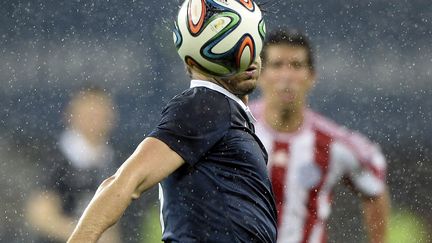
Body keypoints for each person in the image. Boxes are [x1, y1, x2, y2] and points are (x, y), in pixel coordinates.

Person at [67, 13, 277, 243]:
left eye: (253, 44)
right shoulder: (206, 104)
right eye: (230, 47)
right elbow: (126, 181)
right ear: (196, 59)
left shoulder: (227, 113)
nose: (249, 57)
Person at [249, 28, 390, 243]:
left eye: (296, 66)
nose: (286, 76)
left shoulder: (334, 143)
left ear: (311, 76)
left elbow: (374, 189)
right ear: (259, 74)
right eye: (277, 65)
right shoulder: (234, 130)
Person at [26, 87, 121, 243]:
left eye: (100, 114)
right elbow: (40, 215)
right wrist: (88, 234)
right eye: (88, 114)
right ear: (71, 115)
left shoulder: (113, 160)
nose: (94, 120)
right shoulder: (58, 158)